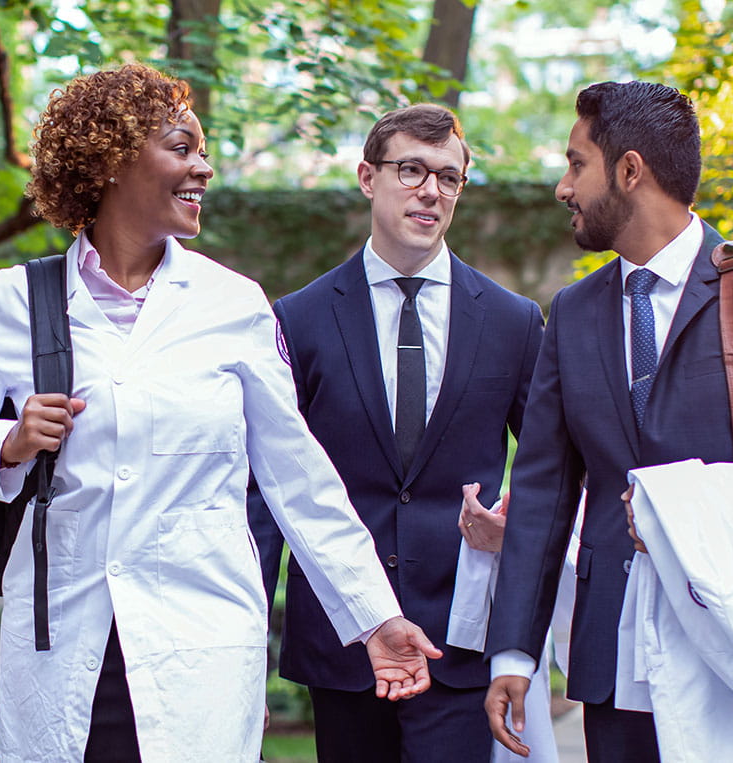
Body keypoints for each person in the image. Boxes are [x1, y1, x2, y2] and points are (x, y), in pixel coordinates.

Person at [0, 63, 441, 763]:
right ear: (112, 161)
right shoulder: (14, 301)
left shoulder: (233, 304)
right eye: (182, 148)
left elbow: (299, 479)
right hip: (67, 637)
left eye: (204, 151)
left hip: (200, 643)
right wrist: (9, 442)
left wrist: (375, 617)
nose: (204, 168)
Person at [482, 80, 733, 761]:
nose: (563, 188)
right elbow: (542, 489)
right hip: (613, 659)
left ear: (630, 170)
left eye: (577, 164)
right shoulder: (571, 313)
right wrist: (513, 649)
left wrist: (694, 506)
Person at [247, 104, 544, 762]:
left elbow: (550, 471)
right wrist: (247, 655)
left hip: (461, 639)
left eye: (448, 177)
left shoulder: (513, 321)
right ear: (367, 177)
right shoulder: (297, 319)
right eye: (411, 170)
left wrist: (514, 525)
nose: (431, 191)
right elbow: (266, 495)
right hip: (343, 641)